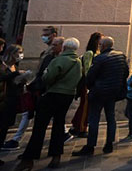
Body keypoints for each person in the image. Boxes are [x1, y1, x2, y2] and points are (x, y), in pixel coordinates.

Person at [16, 37, 82, 170]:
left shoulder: (58, 60)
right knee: (59, 125)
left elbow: (48, 77)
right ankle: (56, 156)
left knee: (40, 126)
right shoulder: (78, 62)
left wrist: (45, 76)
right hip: (67, 95)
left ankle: (29, 158)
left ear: (63, 47)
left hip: (52, 94)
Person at [74, 36, 128, 156]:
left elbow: (90, 76)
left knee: (94, 119)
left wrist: (91, 87)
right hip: (113, 92)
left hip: (99, 92)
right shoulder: (121, 56)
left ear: (102, 46)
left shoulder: (100, 58)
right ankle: (109, 144)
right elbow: (125, 72)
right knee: (111, 118)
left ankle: (90, 145)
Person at [70, 31, 102, 138]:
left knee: (86, 105)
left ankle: (76, 124)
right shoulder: (90, 53)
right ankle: (81, 127)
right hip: (88, 84)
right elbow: (87, 69)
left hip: (92, 83)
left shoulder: (96, 52)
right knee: (85, 106)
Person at [0, 44, 27, 160]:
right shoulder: (2, 65)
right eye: (18, 52)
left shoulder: (15, 66)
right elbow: (2, 77)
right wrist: (17, 74)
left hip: (12, 100)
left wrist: (22, 80)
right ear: (12, 53)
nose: (20, 55)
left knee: (5, 127)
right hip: (3, 100)